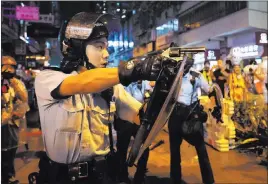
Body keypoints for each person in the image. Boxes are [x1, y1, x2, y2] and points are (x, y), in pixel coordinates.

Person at [34, 12, 175, 183]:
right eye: (99, 46)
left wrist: (165, 84)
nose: (107, 54)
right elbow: (83, 82)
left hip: (103, 176)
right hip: (62, 178)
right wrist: (135, 69)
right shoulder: (48, 78)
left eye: (106, 47)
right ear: (77, 47)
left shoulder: (111, 87)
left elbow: (142, 117)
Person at [168, 58, 218, 184]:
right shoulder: (172, 74)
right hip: (175, 115)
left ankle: (209, 180)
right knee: (174, 151)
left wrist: (216, 106)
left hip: (191, 116)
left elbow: (210, 90)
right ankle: (175, 179)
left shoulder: (196, 75)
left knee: (201, 149)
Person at [114, 80, 153, 184]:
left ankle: (139, 176)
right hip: (124, 119)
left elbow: (149, 91)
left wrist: (148, 94)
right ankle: (122, 176)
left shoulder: (143, 83)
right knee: (122, 149)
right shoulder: (122, 84)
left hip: (139, 119)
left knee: (144, 147)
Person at [1, 56, 29, 184]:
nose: (9, 70)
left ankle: (8, 176)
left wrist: (13, 83)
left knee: (10, 152)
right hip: (2, 122)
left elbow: (23, 98)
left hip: (12, 123)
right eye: (6, 67)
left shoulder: (16, 83)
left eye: (11, 67)